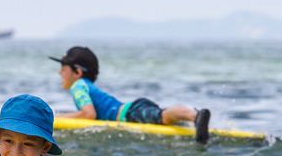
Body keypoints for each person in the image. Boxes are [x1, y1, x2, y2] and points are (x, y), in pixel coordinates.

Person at [50, 46, 212, 143]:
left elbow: (88, 114)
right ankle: (194, 120)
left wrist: (57, 118)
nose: (60, 73)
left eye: (64, 69)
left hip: (129, 114)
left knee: (164, 116)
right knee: (164, 118)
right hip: (132, 109)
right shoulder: (86, 85)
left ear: (77, 72)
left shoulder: (78, 86)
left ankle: (195, 117)